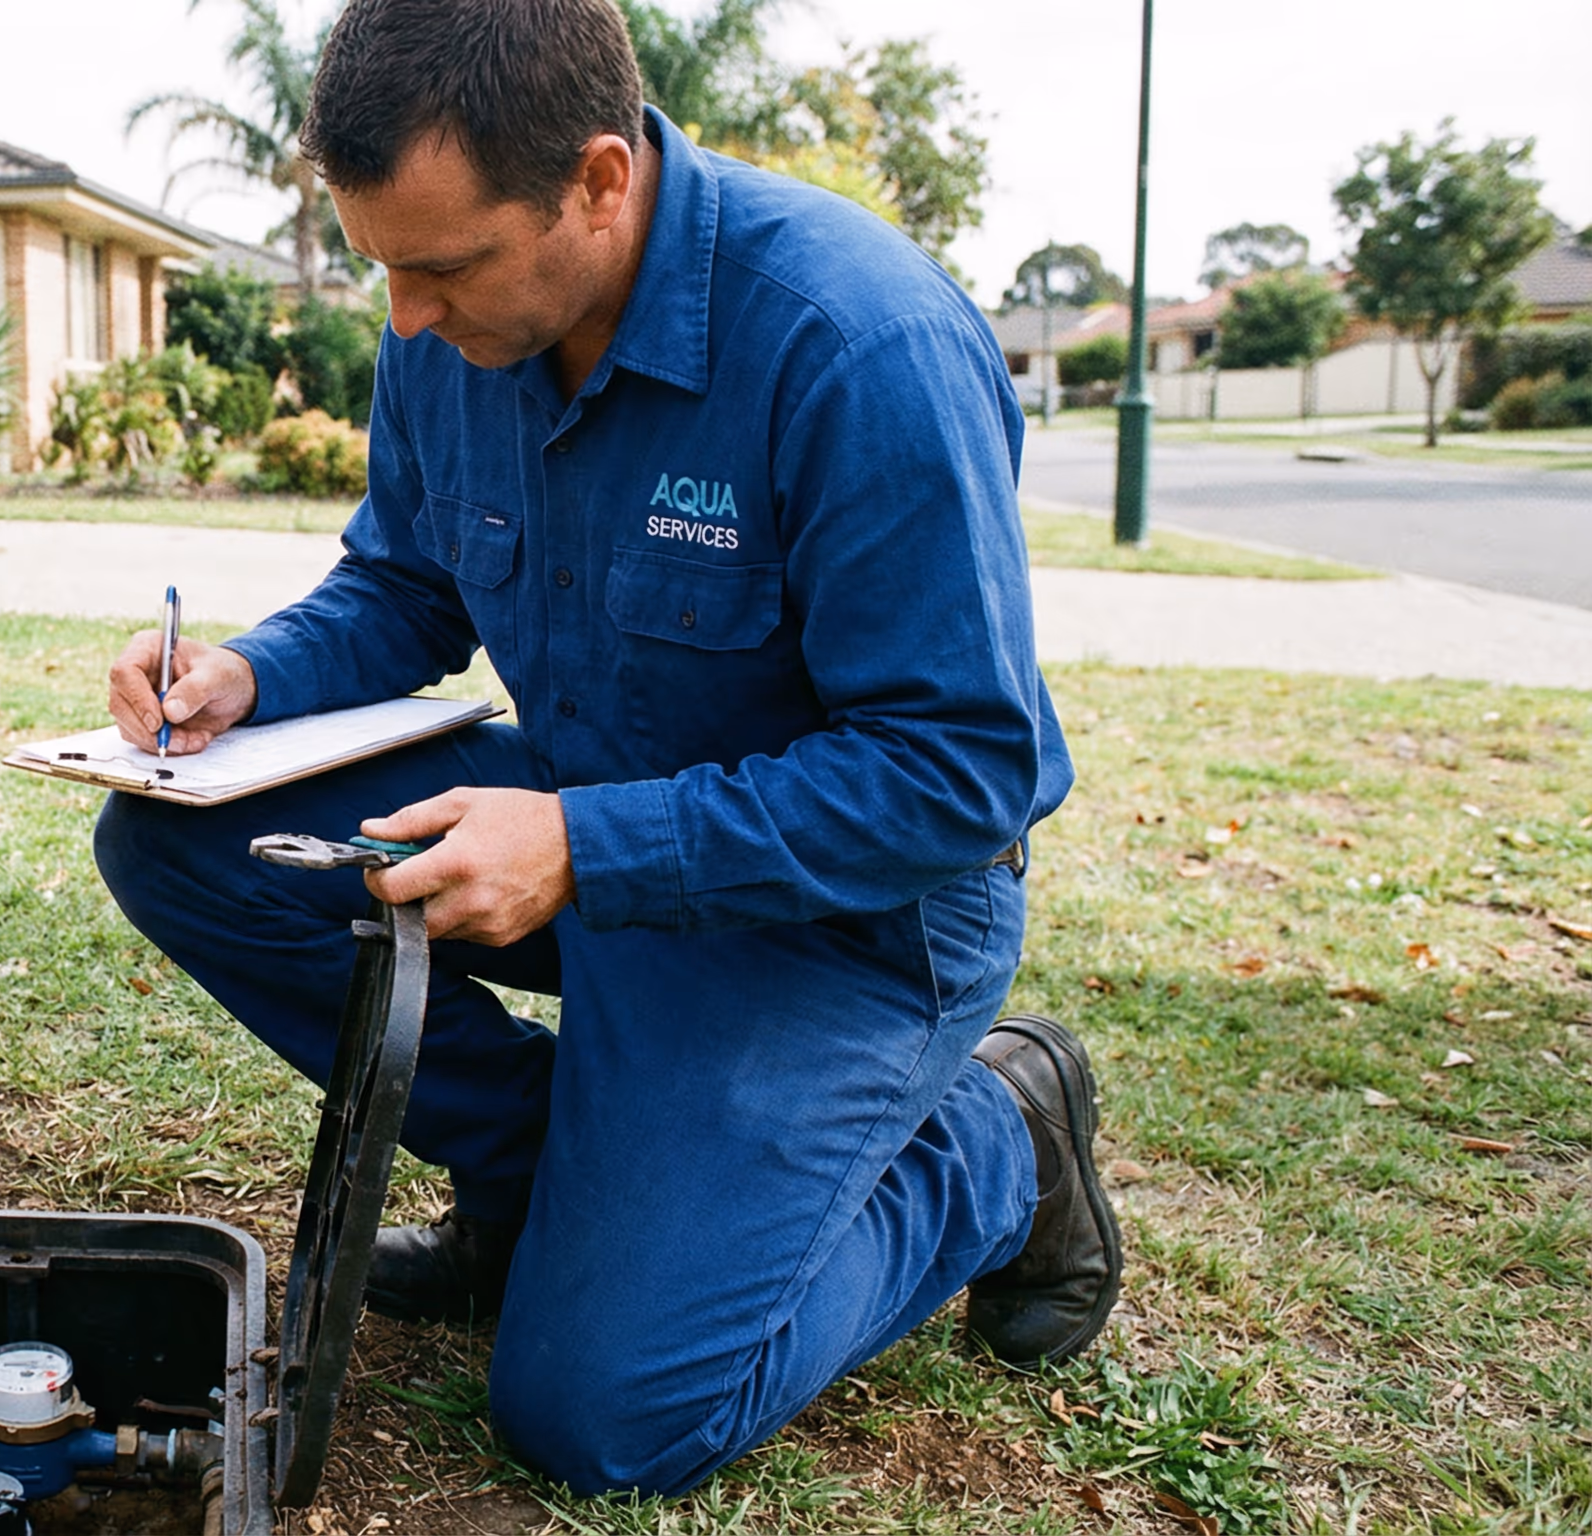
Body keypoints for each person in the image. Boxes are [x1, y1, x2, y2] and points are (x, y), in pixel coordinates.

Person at [92, 0, 1121, 1495]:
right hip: (580, 838)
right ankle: (531, 1168)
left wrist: (587, 848)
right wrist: (250, 674)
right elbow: (405, 582)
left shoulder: (856, 341)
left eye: (441, 267)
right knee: (177, 838)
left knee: (608, 1417)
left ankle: (998, 1140)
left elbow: (962, 773)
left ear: (597, 180)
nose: (405, 319)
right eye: (385, 264)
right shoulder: (451, 326)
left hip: (842, 925)